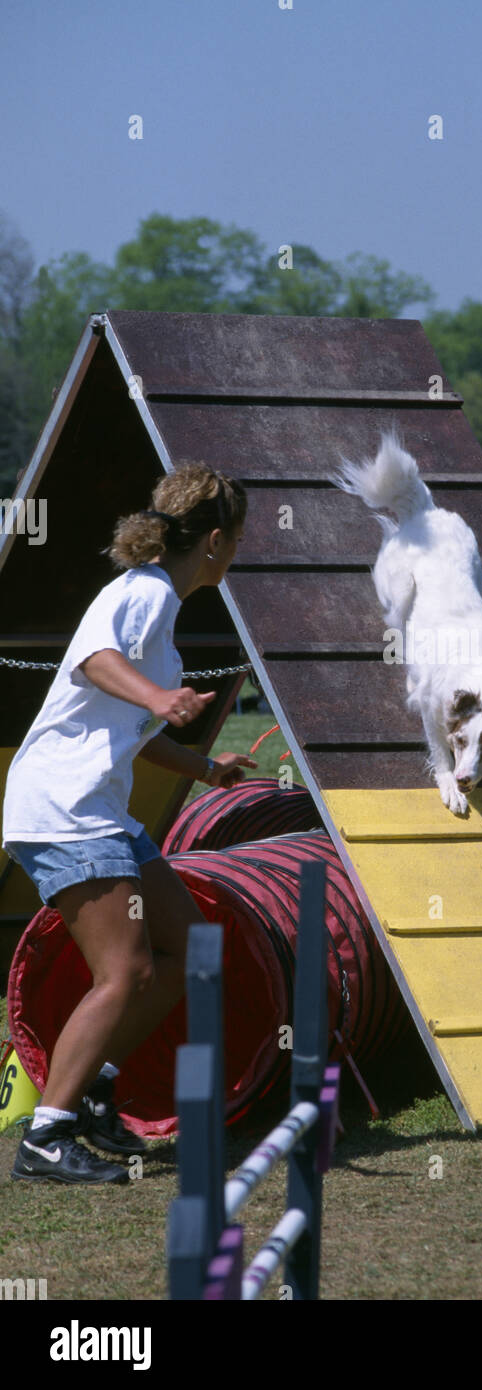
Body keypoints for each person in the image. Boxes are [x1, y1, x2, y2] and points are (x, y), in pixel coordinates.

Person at [2, 463, 257, 1185]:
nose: (237, 554)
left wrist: (206, 768)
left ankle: (94, 1089)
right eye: (237, 540)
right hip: (64, 809)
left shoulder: (159, 604)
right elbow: (93, 660)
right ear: (214, 541)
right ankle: (47, 1137)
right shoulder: (142, 593)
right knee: (127, 970)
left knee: (187, 951)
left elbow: (137, 726)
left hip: (95, 809)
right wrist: (159, 693)